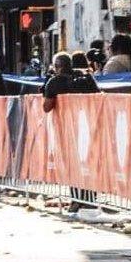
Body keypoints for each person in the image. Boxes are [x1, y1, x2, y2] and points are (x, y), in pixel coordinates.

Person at [42, 52, 101, 212]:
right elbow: (98, 96)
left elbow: (47, 107)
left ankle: (77, 199)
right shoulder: (86, 78)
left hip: (69, 130)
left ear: (57, 67)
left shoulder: (55, 82)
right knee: (88, 160)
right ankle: (89, 197)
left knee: (73, 163)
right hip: (89, 126)